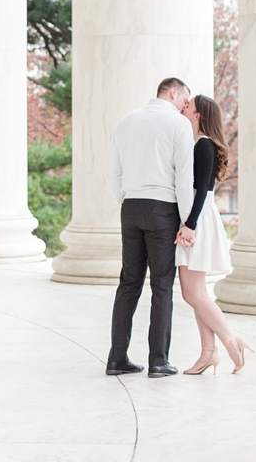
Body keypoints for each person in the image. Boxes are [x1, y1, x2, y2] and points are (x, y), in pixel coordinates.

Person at [104, 77, 197, 378]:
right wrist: (186, 221)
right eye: (185, 100)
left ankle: (117, 358)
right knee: (161, 286)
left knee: (128, 283)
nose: (185, 107)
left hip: (130, 207)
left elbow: (112, 172)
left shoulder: (125, 121)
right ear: (173, 92)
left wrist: (125, 199)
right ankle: (159, 361)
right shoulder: (178, 124)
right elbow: (184, 178)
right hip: (163, 209)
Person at [175, 94, 251, 375]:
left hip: (198, 220)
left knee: (192, 293)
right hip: (195, 219)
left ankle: (232, 342)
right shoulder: (199, 144)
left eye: (188, 106)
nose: (183, 108)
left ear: (198, 115)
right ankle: (208, 353)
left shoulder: (204, 145)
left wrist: (190, 225)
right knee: (197, 293)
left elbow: (202, 194)